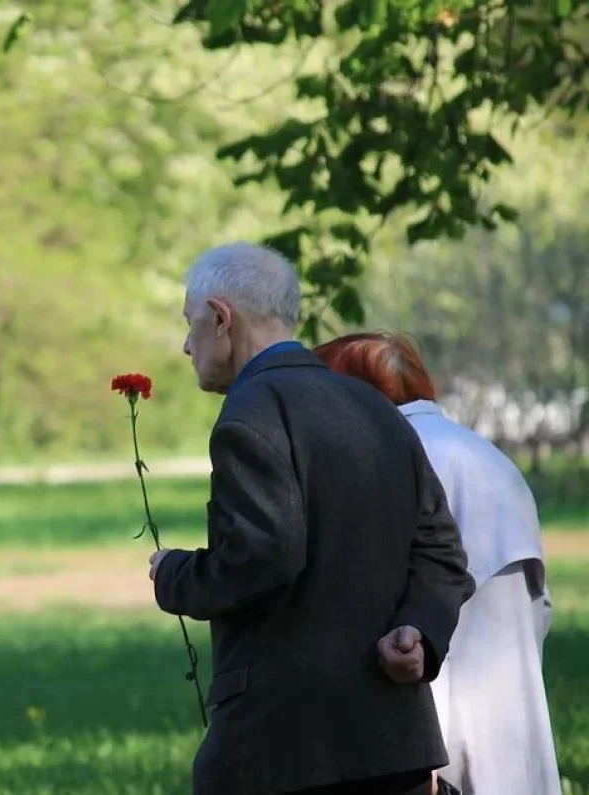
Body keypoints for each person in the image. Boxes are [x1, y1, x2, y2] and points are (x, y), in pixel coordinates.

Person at [147, 243, 476, 795]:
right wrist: (418, 628)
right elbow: (442, 549)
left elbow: (266, 553)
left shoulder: (251, 411)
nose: (186, 344)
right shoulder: (374, 406)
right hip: (396, 745)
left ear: (221, 318)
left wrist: (175, 576)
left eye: (190, 323)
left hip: (285, 749)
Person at [314, 331, 562, 795]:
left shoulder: (395, 457)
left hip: (433, 733)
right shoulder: (485, 454)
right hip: (511, 711)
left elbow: (395, 610)